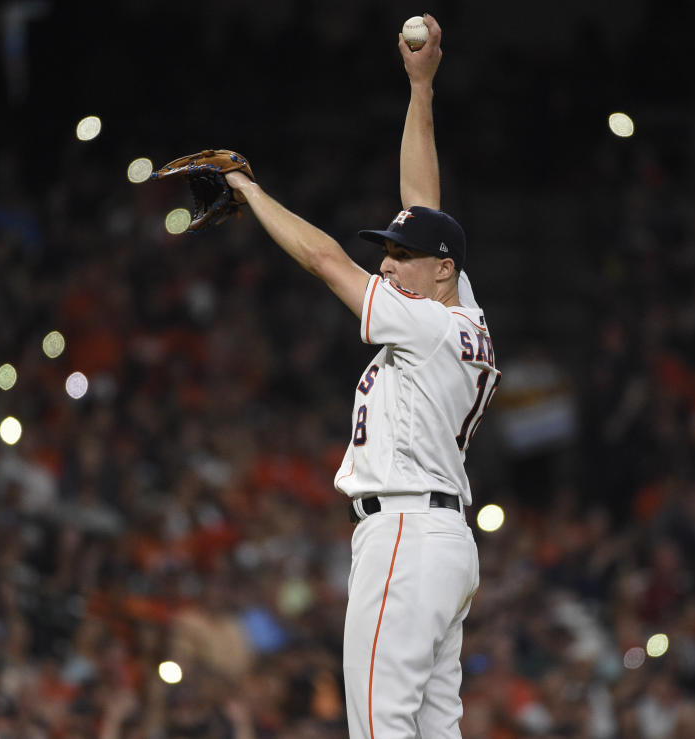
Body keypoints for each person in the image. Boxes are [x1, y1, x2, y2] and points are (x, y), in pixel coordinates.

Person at [225, 15, 498, 738]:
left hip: (406, 532)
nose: (386, 261)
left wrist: (248, 192)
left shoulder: (429, 321)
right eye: (388, 250)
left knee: (378, 728)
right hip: (445, 540)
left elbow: (324, 261)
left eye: (400, 255)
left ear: (442, 269)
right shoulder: (459, 312)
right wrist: (420, 90)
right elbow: (421, 197)